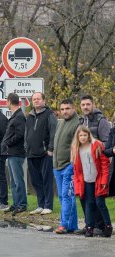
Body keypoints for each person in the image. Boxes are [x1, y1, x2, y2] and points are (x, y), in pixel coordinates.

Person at [78, 95, 111, 235]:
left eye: (88, 104)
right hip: (85, 166)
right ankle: (90, 225)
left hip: (99, 165)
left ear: (93, 104)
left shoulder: (101, 120)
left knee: (98, 200)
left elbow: (107, 142)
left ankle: (102, 225)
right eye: (83, 104)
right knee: (86, 199)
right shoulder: (81, 121)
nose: (85, 107)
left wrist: (94, 146)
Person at [72, 126, 112, 237]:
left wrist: (104, 180)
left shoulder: (96, 146)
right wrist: (77, 184)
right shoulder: (76, 148)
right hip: (86, 181)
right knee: (88, 203)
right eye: (80, 135)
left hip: (98, 180)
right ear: (77, 137)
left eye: (85, 135)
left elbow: (104, 164)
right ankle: (89, 227)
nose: (83, 137)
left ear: (89, 135)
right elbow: (76, 170)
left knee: (100, 203)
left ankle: (108, 226)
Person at [25, 92, 57, 215]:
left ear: (44, 101)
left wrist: (50, 149)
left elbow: (54, 132)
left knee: (46, 180)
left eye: (38, 99)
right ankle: (40, 204)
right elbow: (26, 134)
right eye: (34, 99)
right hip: (31, 153)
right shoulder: (30, 116)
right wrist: (26, 148)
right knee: (35, 180)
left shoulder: (49, 115)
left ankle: (48, 205)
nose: (36, 101)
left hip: (45, 153)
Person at [52, 99, 80, 234]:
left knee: (67, 195)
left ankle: (64, 224)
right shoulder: (61, 122)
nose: (65, 111)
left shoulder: (77, 123)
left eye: (67, 108)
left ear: (73, 109)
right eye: (62, 109)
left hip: (69, 165)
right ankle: (72, 225)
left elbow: (78, 144)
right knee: (63, 197)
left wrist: (73, 163)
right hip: (57, 165)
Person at [2, 93, 27, 216]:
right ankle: (16, 203)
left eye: (6, 101)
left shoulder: (19, 116)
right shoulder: (15, 116)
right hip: (11, 152)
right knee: (13, 181)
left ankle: (22, 204)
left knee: (18, 180)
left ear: (9, 101)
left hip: (16, 152)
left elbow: (20, 134)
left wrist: (8, 142)